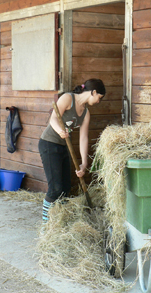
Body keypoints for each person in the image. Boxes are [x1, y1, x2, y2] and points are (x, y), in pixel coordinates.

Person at [38, 79, 106, 222]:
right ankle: (45, 224)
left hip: (63, 146)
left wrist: (84, 163)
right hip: (49, 144)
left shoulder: (85, 113)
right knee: (55, 189)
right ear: (93, 92)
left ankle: (60, 220)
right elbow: (53, 119)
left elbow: (83, 138)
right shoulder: (68, 98)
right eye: (99, 97)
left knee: (65, 189)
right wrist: (60, 130)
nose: (99, 101)